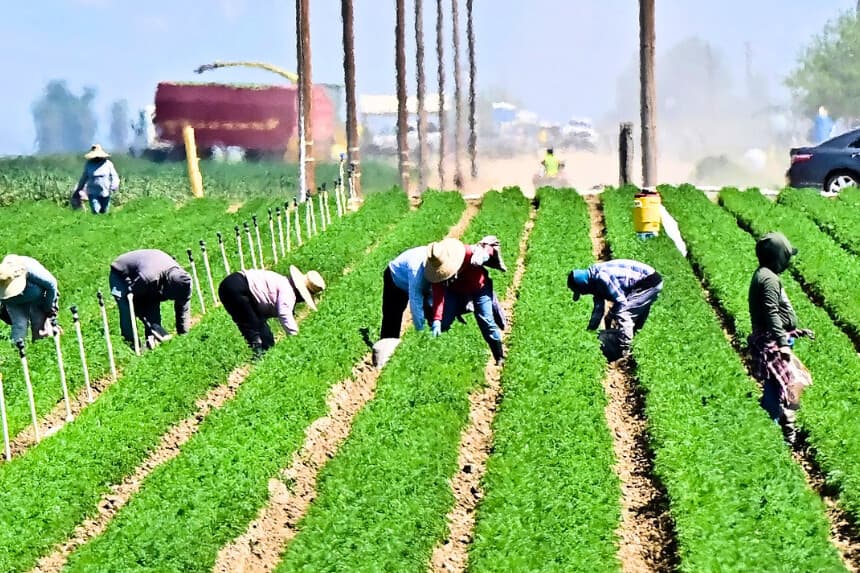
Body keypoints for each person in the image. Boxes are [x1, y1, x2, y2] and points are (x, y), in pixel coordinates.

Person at [747, 232, 814, 445]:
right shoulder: (768, 279)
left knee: (780, 386)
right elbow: (771, 312)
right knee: (783, 387)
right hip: (772, 342)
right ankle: (776, 433)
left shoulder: (766, 275)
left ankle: (781, 428)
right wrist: (783, 344)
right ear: (778, 256)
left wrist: (795, 331)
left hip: (775, 338)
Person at [425, 237, 508, 366]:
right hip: (455, 291)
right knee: (444, 322)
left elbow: (490, 245)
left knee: (486, 321)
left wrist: (485, 255)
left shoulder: (467, 253)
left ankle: (499, 356)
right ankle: (433, 342)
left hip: (479, 288)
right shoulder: (437, 272)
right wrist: (437, 319)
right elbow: (438, 295)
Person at [218, 265, 325, 359]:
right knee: (252, 327)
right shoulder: (288, 292)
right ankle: (259, 356)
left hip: (233, 285)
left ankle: (264, 353)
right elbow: (284, 313)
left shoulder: (283, 281)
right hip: (238, 287)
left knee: (264, 336)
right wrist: (296, 340)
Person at [567, 259, 663, 361]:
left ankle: (624, 352)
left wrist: (612, 314)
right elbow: (598, 310)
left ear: (583, 285)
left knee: (624, 312)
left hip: (649, 281)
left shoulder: (601, 277)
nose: (582, 293)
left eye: (580, 291)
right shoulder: (593, 281)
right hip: (646, 282)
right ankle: (630, 341)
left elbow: (621, 301)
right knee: (633, 314)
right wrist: (590, 331)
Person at [109, 249, 192, 349]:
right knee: (128, 310)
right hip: (121, 275)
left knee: (153, 309)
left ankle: (153, 343)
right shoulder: (149, 277)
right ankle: (132, 347)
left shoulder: (184, 282)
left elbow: (183, 309)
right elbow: (135, 299)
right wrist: (148, 322)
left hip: (146, 273)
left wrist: (183, 337)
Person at [0, 255, 58, 343]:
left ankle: (40, 349)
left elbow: (51, 285)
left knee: (40, 328)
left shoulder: (30, 268)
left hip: (37, 300)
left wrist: (48, 308)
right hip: (13, 303)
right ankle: (17, 352)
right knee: (19, 326)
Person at [73, 144, 120, 214]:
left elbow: (114, 176)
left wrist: (114, 186)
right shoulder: (89, 164)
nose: (97, 158)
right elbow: (84, 177)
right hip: (92, 192)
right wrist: (79, 189)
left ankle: (104, 223)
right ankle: (96, 222)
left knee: (104, 211)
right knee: (96, 210)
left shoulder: (108, 164)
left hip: (105, 192)